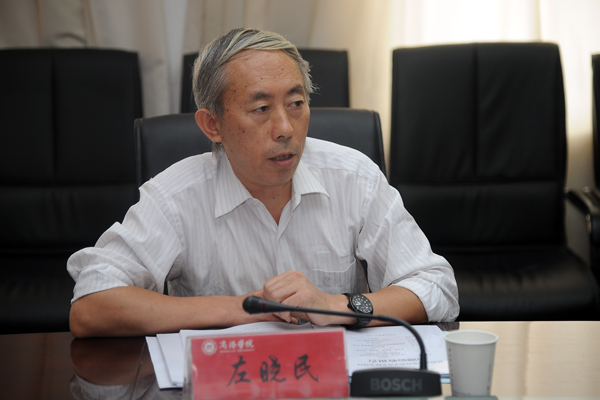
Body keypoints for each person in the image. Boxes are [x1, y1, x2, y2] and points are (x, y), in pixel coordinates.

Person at [68, 28, 459, 338]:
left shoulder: (354, 178)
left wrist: (337, 306)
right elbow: (91, 304)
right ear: (213, 124)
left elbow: (435, 286)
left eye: (296, 103)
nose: (285, 128)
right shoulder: (175, 197)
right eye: (260, 109)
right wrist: (245, 308)